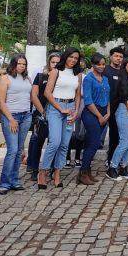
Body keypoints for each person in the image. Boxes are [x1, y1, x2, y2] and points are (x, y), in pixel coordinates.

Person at [39, 48, 83, 189]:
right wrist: (60, 108)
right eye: (71, 57)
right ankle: (43, 171)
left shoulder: (78, 75)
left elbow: (77, 95)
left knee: (65, 144)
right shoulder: (56, 72)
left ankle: (57, 172)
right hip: (55, 107)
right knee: (55, 142)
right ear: (66, 57)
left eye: (76, 58)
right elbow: (47, 92)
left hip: (70, 107)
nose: (73, 60)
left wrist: (76, 111)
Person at [0, 54, 32, 194]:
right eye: (19, 64)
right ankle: (4, 182)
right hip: (11, 116)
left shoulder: (27, 79)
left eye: (24, 64)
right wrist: (11, 119)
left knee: (18, 151)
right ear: (14, 64)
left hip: (26, 115)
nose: (22, 66)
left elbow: (29, 98)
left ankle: (14, 180)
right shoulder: (5, 78)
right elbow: (1, 101)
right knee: (12, 150)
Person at [78, 53, 110, 185]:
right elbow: (88, 100)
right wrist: (99, 116)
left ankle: (86, 170)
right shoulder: (89, 79)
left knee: (93, 143)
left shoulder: (105, 79)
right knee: (93, 143)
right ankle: (83, 172)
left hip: (104, 112)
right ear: (93, 65)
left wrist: (108, 113)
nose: (101, 66)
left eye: (103, 64)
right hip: (92, 113)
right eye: (99, 64)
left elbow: (108, 96)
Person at [27, 52, 60, 181]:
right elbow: (34, 95)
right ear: (48, 63)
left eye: (58, 62)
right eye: (53, 62)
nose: (55, 64)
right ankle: (34, 169)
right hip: (41, 114)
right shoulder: (41, 76)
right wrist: (42, 111)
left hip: (56, 113)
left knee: (54, 142)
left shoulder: (62, 78)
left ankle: (51, 168)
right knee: (38, 142)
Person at [104, 47, 124, 165]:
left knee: (115, 135)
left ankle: (111, 159)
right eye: (116, 56)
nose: (118, 58)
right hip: (104, 107)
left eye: (121, 57)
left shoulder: (123, 71)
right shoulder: (105, 70)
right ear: (111, 56)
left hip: (118, 108)